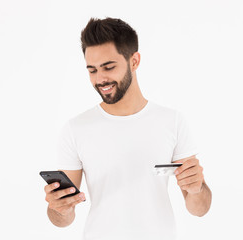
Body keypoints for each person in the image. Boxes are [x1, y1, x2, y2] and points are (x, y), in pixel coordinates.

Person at [44, 17, 212, 240]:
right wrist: (58, 208)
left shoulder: (172, 121)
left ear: (134, 61)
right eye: (92, 70)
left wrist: (197, 188)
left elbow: (199, 209)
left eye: (109, 67)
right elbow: (63, 219)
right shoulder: (75, 129)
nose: (100, 79)